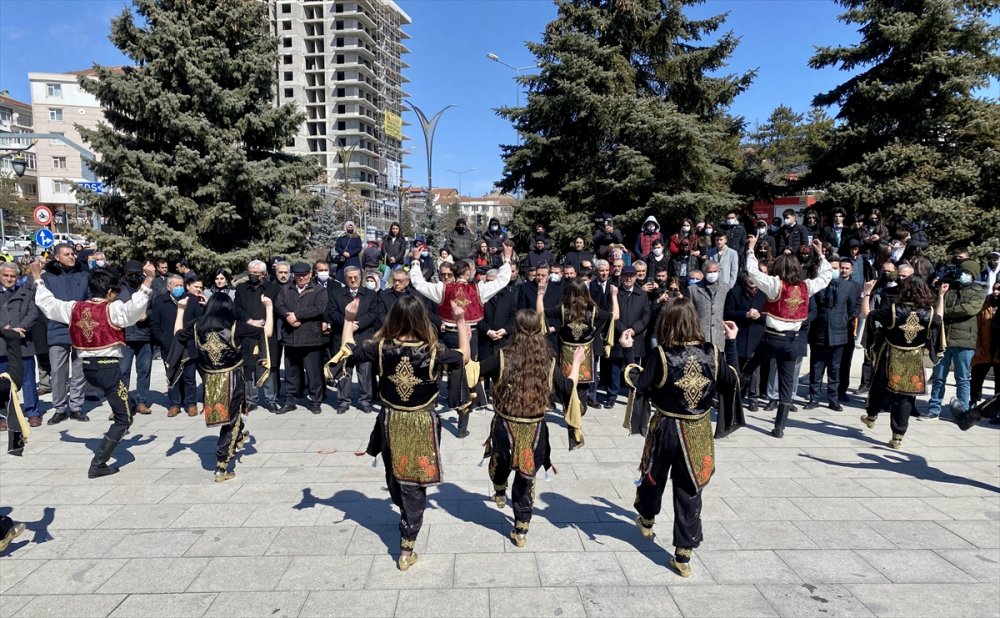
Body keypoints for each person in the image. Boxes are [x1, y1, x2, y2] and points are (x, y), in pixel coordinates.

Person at [341, 295, 469, 571]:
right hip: (422, 422)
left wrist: (349, 319)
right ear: (422, 319)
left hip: (391, 421)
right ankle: (407, 543)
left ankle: (406, 522)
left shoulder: (381, 347)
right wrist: (460, 322)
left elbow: (348, 351)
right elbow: (464, 357)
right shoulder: (433, 350)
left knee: (397, 475)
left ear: (393, 318)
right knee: (415, 480)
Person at [625, 299, 741, 578]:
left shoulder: (662, 354)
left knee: (653, 475)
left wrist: (629, 355)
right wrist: (732, 343)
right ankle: (683, 554)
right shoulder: (712, 353)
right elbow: (732, 380)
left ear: (667, 323)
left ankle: (647, 517)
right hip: (697, 429)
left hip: (665, 427)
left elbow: (638, 384)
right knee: (690, 489)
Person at [31, 260, 155, 478]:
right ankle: (98, 464)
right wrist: (149, 279)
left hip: (89, 369)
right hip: (109, 370)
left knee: (124, 411)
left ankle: (103, 455)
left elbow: (48, 304)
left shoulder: (74, 308)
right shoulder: (112, 309)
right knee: (124, 418)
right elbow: (134, 309)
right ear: (109, 291)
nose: (115, 296)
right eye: (114, 293)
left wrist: (37, 279)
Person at [479, 309, 585, 546]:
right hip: (535, 431)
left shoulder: (502, 356)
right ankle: (521, 529)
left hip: (504, 426)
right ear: (539, 331)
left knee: (499, 462)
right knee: (527, 477)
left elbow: (475, 372)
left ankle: (499, 488)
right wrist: (577, 363)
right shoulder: (548, 361)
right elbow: (568, 387)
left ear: (516, 330)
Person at [409, 244, 514, 436]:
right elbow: (502, 280)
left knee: (444, 370)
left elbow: (418, 283)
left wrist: (415, 261)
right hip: (469, 336)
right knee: (466, 375)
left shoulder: (443, 289)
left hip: (448, 335)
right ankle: (462, 423)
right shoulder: (478, 290)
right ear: (468, 272)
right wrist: (506, 260)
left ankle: (437, 405)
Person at [167, 291, 272, 481]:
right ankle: (221, 467)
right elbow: (266, 332)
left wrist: (180, 310)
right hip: (233, 379)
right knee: (232, 421)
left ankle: (237, 439)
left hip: (210, 379)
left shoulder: (197, 327)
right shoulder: (236, 327)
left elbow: (177, 335)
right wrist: (268, 308)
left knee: (230, 417)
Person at [742, 236, 833, 437]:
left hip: (771, 339)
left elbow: (753, 272)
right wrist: (820, 254)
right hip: (792, 341)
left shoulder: (775, 284)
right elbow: (826, 277)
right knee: (786, 382)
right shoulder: (806, 287)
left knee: (750, 366)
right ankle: (779, 427)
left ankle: (733, 397)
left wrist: (750, 249)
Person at [859, 276, 944, 448]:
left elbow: (867, 316)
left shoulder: (893, 309)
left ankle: (871, 415)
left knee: (879, 385)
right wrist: (941, 296)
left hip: (890, 354)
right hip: (913, 357)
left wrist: (867, 293)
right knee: (904, 396)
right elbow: (939, 320)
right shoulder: (929, 312)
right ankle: (898, 436)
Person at [540, 278, 618, 449]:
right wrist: (614, 296)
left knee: (567, 385)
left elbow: (541, 312)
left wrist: (540, 294)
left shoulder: (562, 309)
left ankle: (570, 411)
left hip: (567, 354)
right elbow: (614, 316)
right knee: (582, 387)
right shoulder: (593, 309)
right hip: (584, 354)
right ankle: (578, 413)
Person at [926, 259, 985, 419]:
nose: (963, 275)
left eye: (967, 273)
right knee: (938, 377)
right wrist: (940, 294)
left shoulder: (979, 291)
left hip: (965, 341)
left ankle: (962, 410)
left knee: (962, 378)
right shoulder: (949, 288)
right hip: (944, 340)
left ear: (973, 275)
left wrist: (946, 311)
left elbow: (969, 309)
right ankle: (933, 408)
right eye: (962, 272)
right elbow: (936, 307)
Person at [41, 243, 89, 424]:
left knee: (79, 371)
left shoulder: (84, 275)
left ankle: (76, 407)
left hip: (80, 330)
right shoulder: (48, 278)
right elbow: (43, 304)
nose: (72, 257)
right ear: (57, 257)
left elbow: (90, 299)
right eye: (67, 254)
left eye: (73, 254)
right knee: (58, 371)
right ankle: (59, 408)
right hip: (57, 329)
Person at [806, 259, 861, 411]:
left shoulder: (849, 287)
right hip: (820, 332)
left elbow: (852, 309)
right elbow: (813, 308)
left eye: (837, 268)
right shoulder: (818, 285)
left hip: (839, 333)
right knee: (817, 367)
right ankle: (814, 397)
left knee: (835, 369)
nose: (837, 271)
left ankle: (833, 399)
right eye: (833, 268)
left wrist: (843, 320)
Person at [275, 262, 329, 414]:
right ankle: (289, 401)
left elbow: (320, 308)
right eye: (299, 276)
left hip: (311, 338)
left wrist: (297, 315)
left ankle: (315, 401)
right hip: (291, 338)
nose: (302, 278)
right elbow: (278, 305)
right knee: (291, 373)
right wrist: (288, 317)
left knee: (314, 373)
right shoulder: (286, 289)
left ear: (310, 274)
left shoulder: (318, 290)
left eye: (305, 275)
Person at [328, 266, 378, 414]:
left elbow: (373, 313)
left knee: (365, 371)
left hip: (363, 338)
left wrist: (359, 324)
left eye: (356, 277)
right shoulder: (336, 294)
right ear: (345, 278)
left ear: (360, 277)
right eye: (350, 277)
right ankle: (344, 401)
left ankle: (365, 400)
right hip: (343, 338)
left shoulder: (370, 294)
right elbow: (332, 312)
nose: (353, 280)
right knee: (345, 371)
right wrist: (347, 323)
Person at [234, 260, 281, 412]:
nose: (252, 275)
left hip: (267, 332)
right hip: (247, 331)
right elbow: (237, 308)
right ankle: (252, 398)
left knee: (268, 364)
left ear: (263, 274)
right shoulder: (241, 288)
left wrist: (263, 322)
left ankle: (270, 398)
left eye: (255, 273)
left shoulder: (273, 288)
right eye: (250, 273)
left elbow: (277, 309)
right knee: (248, 366)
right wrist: (249, 321)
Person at [0, 263, 40, 430]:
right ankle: (4, 415)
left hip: (23, 342)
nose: (9, 279)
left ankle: (33, 413)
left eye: (13, 276)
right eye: (5, 275)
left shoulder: (25, 291)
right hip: (2, 344)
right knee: (3, 381)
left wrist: (21, 328)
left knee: (28, 380)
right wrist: (4, 328)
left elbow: (33, 312)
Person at [724, 272, 767, 411]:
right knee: (737, 366)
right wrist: (745, 314)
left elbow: (771, 315)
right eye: (750, 277)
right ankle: (737, 394)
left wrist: (759, 316)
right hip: (740, 334)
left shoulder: (766, 293)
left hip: (757, 335)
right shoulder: (735, 292)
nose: (752, 280)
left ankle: (753, 398)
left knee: (754, 368)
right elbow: (728, 312)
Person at [118, 261, 153, 416]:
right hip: (124, 335)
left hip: (144, 335)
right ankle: (121, 405)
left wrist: (148, 314)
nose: (133, 276)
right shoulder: (118, 288)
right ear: (125, 273)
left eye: (136, 273)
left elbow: (156, 306)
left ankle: (141, 401)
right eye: (130, 273)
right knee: (123, 370)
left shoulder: (148, 287)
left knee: (144, 370)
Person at [970, 280, 1000, 408]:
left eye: (999, 289)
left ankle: (995, 409)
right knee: (977, 377)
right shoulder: (984, 303)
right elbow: (976, 327)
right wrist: (977, 346)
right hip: (984, 348)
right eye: (994, 288)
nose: (995, 291)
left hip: (999, 350)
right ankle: (973, 402)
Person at [689, 260, 730, 346]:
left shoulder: (726, 289)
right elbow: (689, 313)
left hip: (720, 336)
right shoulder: (693, 289)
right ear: (703, 272)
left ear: (719, 271)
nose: (712, 274)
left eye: (715, 271)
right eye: (709, 272)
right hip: (700, 336)